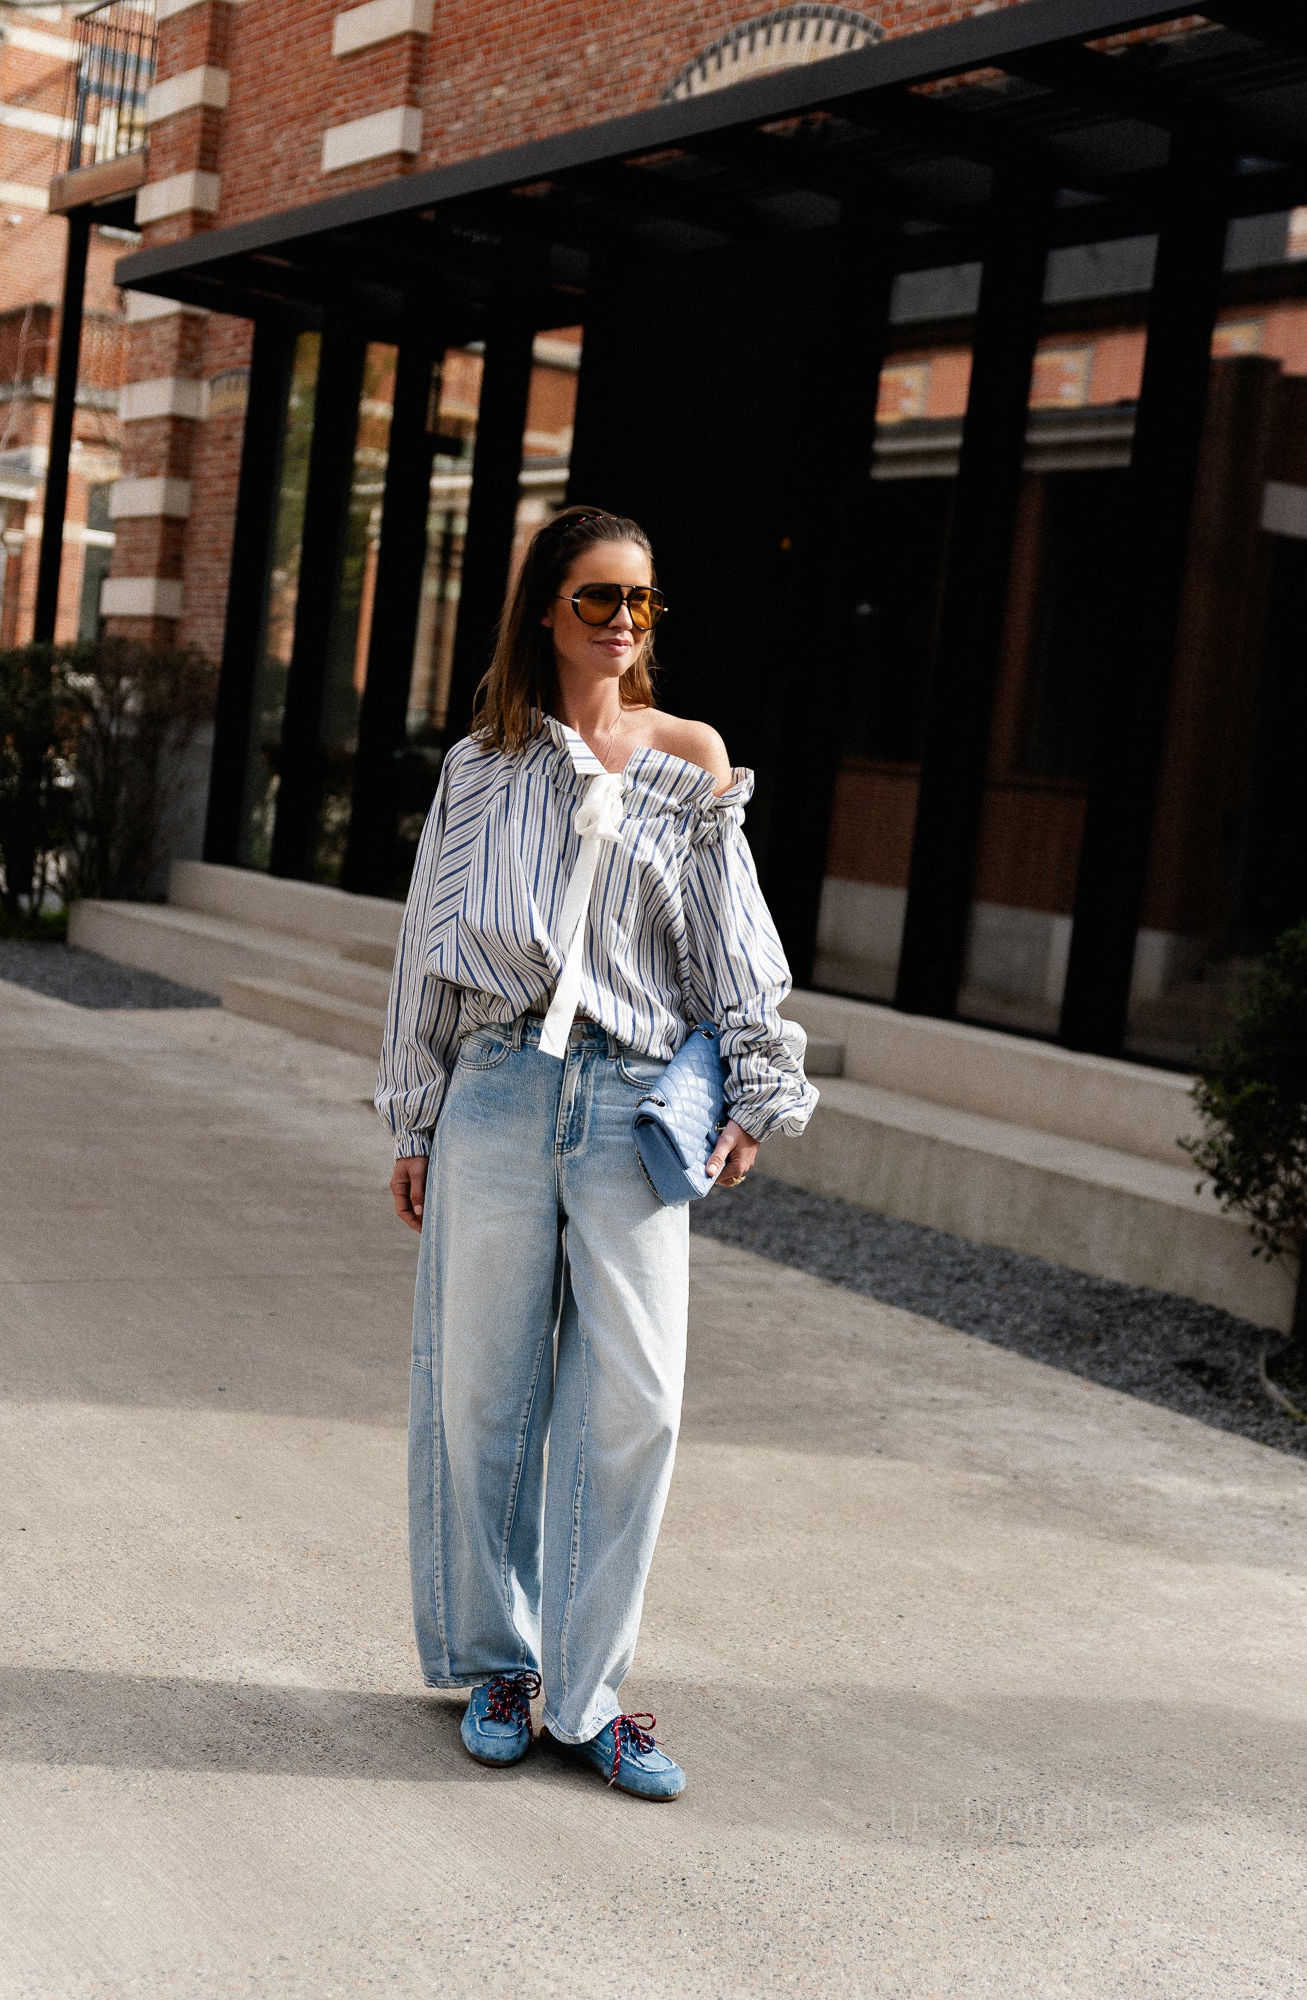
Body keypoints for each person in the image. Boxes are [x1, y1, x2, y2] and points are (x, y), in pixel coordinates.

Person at [376, 505, 817, 1800]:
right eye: (597, 598)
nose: (623, 621)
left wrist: (754, 1094)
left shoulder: (690, 760)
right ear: (544, 610)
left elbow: (734, 944)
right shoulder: (482, 767)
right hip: (498, 1094)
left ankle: (589, 1695)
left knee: (637, 1402)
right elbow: (425, 953)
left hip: (632, 1106)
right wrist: (414, 1115)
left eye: (641, 601)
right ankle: (499, 1668)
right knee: (480, 1395)